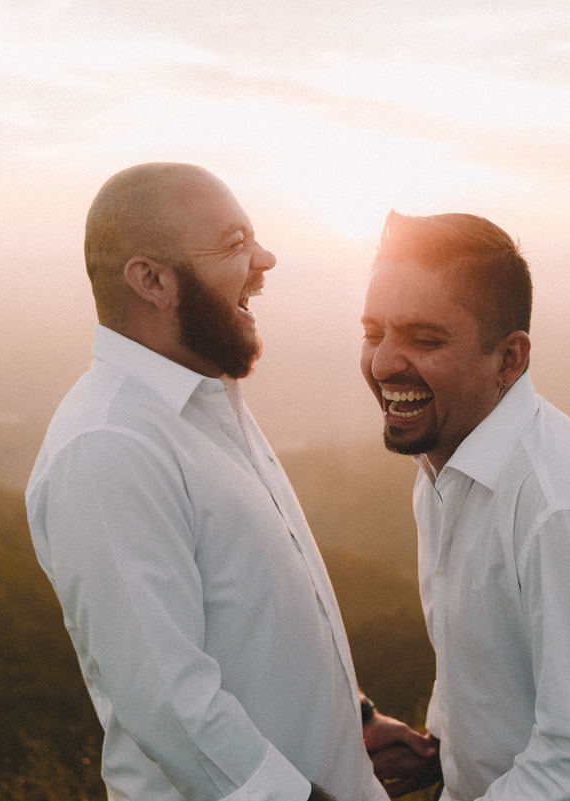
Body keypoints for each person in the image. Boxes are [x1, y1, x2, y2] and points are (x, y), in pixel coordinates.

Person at [26, 163, 433, 801]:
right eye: (234, 243)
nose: (265, 258)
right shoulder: (109, 448)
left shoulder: (207, 399)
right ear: (152, 280)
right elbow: (172, 706)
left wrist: (350, 720)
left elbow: (252, 609)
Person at [358, 211, 570, 801]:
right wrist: (442, 749)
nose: (382, 363)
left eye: (424, 339)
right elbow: (480, 661)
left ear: (509, 359)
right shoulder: (442, 466)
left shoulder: (569, 508)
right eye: (373, 332)